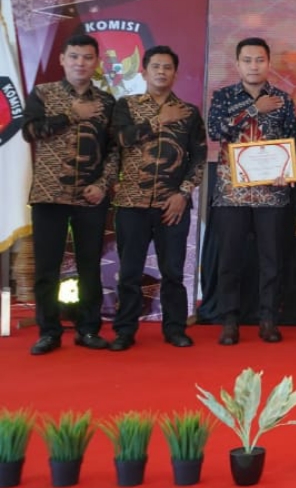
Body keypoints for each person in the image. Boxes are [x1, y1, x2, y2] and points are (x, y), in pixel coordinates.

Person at [22, 33, 119, 355]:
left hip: (90, 196)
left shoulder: (107, 102)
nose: (81, 63)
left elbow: (114, 151)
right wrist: (71, 115)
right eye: (74, 57)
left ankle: (88, 329)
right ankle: (48, 332)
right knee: (47, 267)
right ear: (62, 59)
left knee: (89, 266)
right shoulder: (43, 93)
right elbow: (29, 132)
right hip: (49, 194)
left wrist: (102, 185)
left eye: (87, 57)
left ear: (96, 62)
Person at [207, 37, 296, 345]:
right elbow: (215, 131)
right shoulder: (223, 96)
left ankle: (268, 319)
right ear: (237, 64)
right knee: (230, 259)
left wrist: (286, 169)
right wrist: (252, 109)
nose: (253, 66)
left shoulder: (282, 99)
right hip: (231, 192)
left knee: (271, 260)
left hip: (271, 193)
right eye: (247, 60)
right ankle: (229, 320)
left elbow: (295, 140)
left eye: (259, 60)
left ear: (268, 63)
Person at [110, 46, 206, 351]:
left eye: (167, 67)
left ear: (175, 74)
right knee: (129, 272)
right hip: (132, 203)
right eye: (156, 67)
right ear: (144, 71)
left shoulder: (189, 113)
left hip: (172, 205)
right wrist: (158, 121)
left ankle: (175, 328)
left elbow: (199, 158)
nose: (161, 72)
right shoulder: (126, 106)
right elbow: (119, 140)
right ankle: (125, 330)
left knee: (173, 272)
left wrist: (183, 193)